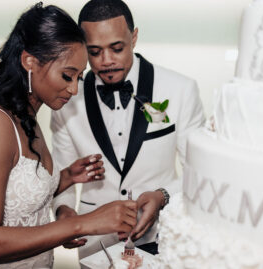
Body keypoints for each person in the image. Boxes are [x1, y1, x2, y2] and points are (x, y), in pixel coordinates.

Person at [0, 3, 137, 268]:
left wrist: (65, 179)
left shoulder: (28, 118)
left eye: (79, 77)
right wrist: (81, 223)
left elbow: (18, 200)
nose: (74, 89)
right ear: (30, 61)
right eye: (67, 76)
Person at [50, 0, 206, 259]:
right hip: (93, 245)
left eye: (117, 48)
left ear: (133, 38)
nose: (107, 61)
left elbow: (199, 170)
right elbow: (62, 174)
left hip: (161, 238)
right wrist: (64, 213)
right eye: (95, 51)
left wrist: (163, 196)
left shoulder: (180, 89)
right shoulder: (66, 100)